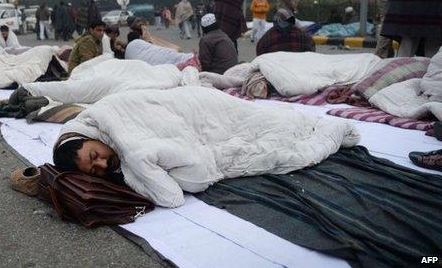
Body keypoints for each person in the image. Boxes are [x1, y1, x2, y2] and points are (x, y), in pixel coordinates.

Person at [52, 86, 359, 208]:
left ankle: (323, 127)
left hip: (201, 106)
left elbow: (171, 198)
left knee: (266, 123)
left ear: (90, 137)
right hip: (198, 129)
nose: (103, 164)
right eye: (95, 170)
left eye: (95, 156)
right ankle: (325, 129)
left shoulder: (111, 123)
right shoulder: (120, 156)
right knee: (274, 147)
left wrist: (138, 164)